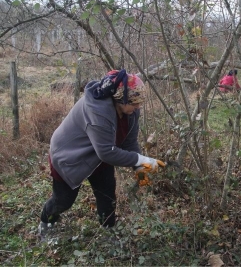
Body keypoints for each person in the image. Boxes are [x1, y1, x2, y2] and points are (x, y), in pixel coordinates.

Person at [38, 69, 165, 239]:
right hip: (69, 156)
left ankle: (109, 232)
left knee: (107, 195)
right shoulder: (99, 111)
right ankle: (46, 224)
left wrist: (139, 167)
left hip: (99, 154)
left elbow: (129, 142)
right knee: (64, 200)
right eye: (135, 102)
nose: (138, 106)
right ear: (121, 97)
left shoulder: (131, 112)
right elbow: (106, 152)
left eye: (139, 102)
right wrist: (142, 160)